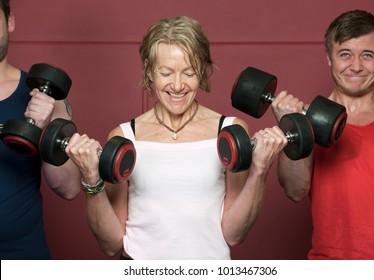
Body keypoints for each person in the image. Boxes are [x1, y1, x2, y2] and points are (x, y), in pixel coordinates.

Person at [64, 15, 288, 259]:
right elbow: (111, 243)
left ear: (202, 71)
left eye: (189, 72)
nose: (178, 85)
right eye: (167, 73)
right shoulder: (125, 137)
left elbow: (234, 234)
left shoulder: (230, 131)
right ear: (149, 71)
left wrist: (260, 170)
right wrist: (90, 179)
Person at [273, 10, 374, 259]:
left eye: (367, 55)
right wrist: (293, 126)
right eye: (345, 54)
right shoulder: (305, 122)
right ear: (329, 58)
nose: (356, 66)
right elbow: (295, 191)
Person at [0, 0, 81, 259]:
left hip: (22, 256)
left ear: (9, 21)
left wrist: (45, 128)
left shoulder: (46, 99)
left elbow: (68, 188)